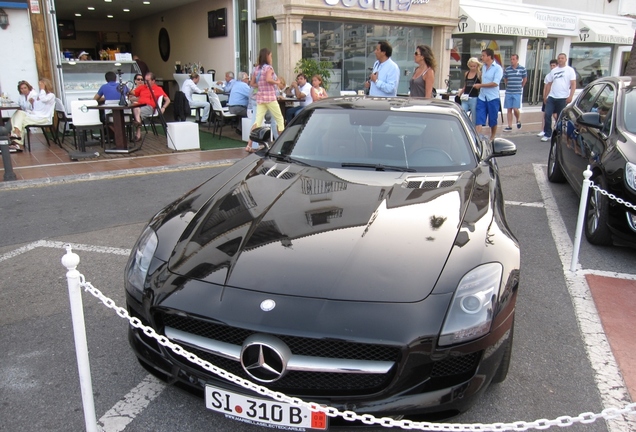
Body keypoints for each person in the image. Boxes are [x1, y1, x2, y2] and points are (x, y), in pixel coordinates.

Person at [247, 47, 285, 153]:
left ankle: (249, 144)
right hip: (270, 97)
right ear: (267, 56)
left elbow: (252, 84)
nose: (271, 58)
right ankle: (281, 144)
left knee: (257, 121)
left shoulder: (257, 69)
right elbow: (268, 79)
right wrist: (277, 82)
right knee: (279, 119)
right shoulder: (269, 68)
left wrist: (261, 85)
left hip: (260, 97)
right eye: (271, 56)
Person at [8, 78, 56, 151]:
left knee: (19, 117)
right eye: (39, 85)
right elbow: (38, 109)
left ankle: (17, 141)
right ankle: (17, 140)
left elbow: (44, 100)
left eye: (41, 85)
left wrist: (42, 89)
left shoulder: (50, 95)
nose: (40, 86)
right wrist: (33, 104)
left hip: (44, 119)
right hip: (36, 116)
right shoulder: (39, 95)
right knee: (18, 116)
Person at [541, 53, 576, 142]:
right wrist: (545, 96)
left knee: (560, 117)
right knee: (547, 114)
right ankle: (547, 133)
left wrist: (571, 96)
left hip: (563, 97)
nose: (560, 60)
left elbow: (573, 84)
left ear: (565, 59)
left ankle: (559, 133)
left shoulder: (570, 70)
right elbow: (549, 84)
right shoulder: (554, 71)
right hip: (552, 97)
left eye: (562, 58)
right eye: (559, 58)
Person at [473, 48, 503, 141]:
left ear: (489, 56)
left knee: (492, 119)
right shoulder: (484, 67)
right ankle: (476, 138)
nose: (482, 57)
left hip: (493, 98)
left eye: (483, 56)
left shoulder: (498, 68)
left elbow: (495, 83)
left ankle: (492, 136)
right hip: (482, 97)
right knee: (479, 118)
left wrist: (480, 85)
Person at [131, 72, 170, 142]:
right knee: (134, 109)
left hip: (149, 107)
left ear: (153, 81)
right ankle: (138, 122)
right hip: (139, 106)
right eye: (144, 80)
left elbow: (168, 100)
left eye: (147, 80)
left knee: (135, 113)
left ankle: (138, 133)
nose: (145, 82)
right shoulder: (142, 87)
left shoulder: (158, 89)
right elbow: (134, 93)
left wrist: (163, 107)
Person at [503, 54, 527, 132]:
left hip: (517, 91)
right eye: (511, 59)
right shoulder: (507, 69)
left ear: (517, 60)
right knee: (509, 109)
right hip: (509, 91)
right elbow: (505, 79)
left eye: (513, 59)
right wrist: (507, 85)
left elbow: (525, 79)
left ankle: (518, 120)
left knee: (515, 108)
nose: (512, 61)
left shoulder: (522, 69)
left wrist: (521, 86)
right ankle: (509, 126)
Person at [456, 57, 481, 124]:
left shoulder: (479, 74)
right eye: (471, 66)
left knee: (474, 116)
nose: (472, 68)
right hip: (466, 97)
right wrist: (460, 93)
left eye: (474, 66)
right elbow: (465, 85)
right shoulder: (467, 73)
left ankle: (473, 130)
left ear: (477, 66)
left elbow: (481, 85)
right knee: (463, 113)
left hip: (474, 97)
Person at [537, 59, 558, 138]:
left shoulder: (559, 75)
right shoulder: (548, 76)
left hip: (555, 97)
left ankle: (557, 128)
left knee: (555, 115)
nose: (552, 67)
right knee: (545, 114)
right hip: (548, 98)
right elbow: (545, 87)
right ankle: (543, 130)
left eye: (554, 65)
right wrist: (544, 96)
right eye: (551, 65)